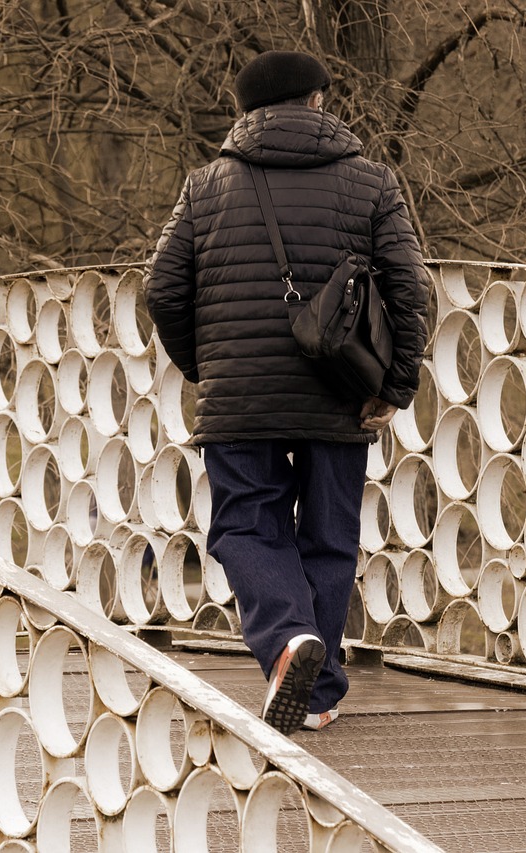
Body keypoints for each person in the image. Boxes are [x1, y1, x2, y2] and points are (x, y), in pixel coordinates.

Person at [144, 50, 429, 735]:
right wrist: (395, 383)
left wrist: (202, 363)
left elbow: (160, 289)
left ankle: (287, 641)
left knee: (245, 524)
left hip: (238, 395)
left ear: (245, 112)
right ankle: (321, 688)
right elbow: (411, 287)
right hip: (342, 391)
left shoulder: (204, 186)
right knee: (329, 535)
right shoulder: (372, 183)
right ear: (317, 103)